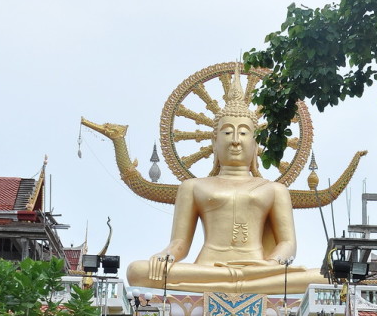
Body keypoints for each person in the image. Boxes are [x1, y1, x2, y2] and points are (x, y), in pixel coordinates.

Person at [126, 70, 325, 295]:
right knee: (137, 271)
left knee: (323, 277)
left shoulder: (275, 190)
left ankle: (240, 281)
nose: (235, 141)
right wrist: (167, 255)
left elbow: (288, 245)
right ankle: (240, 282)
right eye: (228, 132)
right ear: (214, 140)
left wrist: (273, 263)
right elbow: (180, 243)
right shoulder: (193, 187)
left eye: (243, 133)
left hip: (259, 268)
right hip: (207, 268)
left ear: (256, 142)